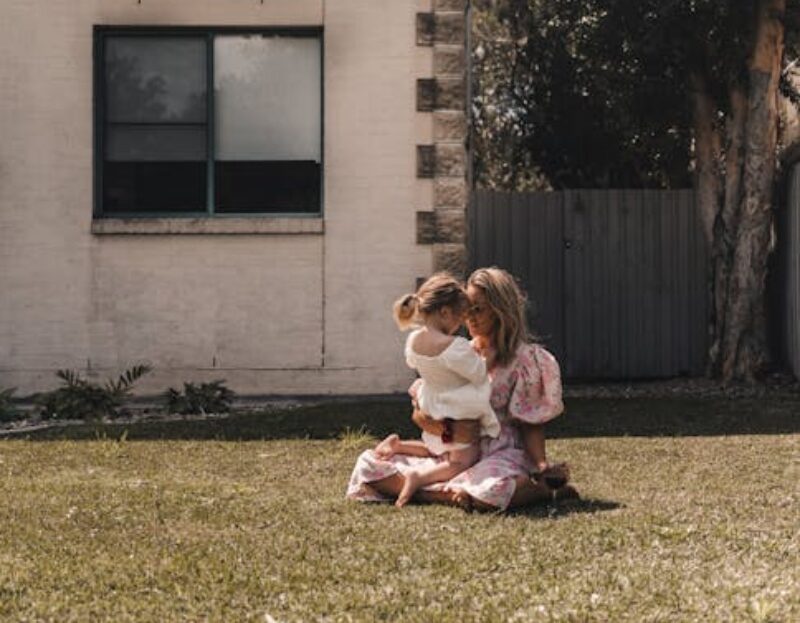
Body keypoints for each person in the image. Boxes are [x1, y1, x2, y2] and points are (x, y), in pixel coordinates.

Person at [347, 267, 576, 511]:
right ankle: (446, 494)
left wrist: (541, 466)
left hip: (499, 454)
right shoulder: (457, 352)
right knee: (369, 465)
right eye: (467, 310)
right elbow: (422, 410)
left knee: (493, 488)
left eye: (479, 309)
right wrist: (447, 430)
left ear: (501, 311)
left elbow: (531, 423)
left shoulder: (525, 360)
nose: (470, 318)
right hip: (453, 451)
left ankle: (531, 490)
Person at [374, 272, 501, 507]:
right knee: (462, 460)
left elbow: (412, 362)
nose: (460, 325)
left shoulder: (413, 340)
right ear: (444, 312)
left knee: (437, 449)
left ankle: (399, 445)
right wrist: (487, 357)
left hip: (431, 402)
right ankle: (419, 477)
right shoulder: (455, 346)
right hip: (457, 405)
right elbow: (478, 374)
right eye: (459, 318)